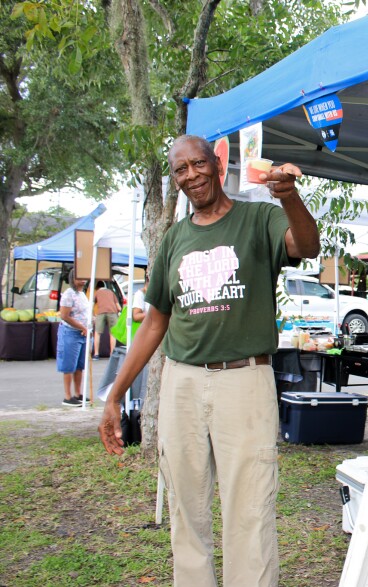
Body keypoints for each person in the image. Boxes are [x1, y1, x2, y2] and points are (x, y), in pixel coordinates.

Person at [98, 134, 319, 587]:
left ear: (217, 165)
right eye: (180, 169)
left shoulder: (259, 218)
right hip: (181, 382)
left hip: (244, 379)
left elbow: (306, 245)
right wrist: (115, 394)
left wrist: (289, 196)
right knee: (186, 506)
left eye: (198, 164)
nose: (191, 175)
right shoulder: (175, 239)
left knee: (250, 506)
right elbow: (155, 322)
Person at [57, 269, 90, 406]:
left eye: (84, 277)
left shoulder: (82, 293)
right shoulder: (69, 294)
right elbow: (64, 316)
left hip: (82, 333)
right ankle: (68, 396)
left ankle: (78, 393)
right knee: (69, 365)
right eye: (79, 277)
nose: (82, 280)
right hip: (71, 332)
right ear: (72, 278)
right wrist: (81, 327)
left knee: (79, 366)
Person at [93, 281, 121, 359]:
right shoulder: (111, 292)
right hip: (112, 312)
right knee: (112, 333)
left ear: (97, 288)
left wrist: (93, 314)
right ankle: (112, 354)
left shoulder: (97, 292)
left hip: (101, 312)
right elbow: (119, 307)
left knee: (97, 333)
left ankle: (96, 354)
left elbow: (91, 304)